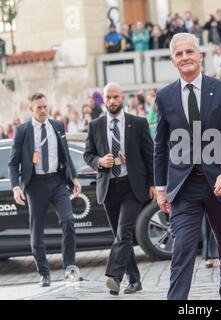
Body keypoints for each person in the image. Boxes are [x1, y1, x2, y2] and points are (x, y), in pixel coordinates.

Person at [155, 33, 221, 300]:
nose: (185, 57)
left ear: (200, 56)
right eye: (179, 54)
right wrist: (161, 188)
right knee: (182, 248)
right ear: (173, 61)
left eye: (189, 52)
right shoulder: (165, 96)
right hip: (184, 187)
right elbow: (160, 146)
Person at [84, 83, 156, 295]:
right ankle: (134, 281)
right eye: (108, 97)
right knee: (121, 237)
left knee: (124, 231)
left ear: (123, 98)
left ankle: (114, 276)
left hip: (133, 187)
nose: (112, 101)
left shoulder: (138, 123)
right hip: (109, 188)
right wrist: (99, 161)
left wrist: (153, 183)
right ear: (103, 99)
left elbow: (149, 156)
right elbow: (88, 155)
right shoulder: (95, 125)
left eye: (116, 97)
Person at [8, 93, 82, 287]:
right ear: (31, 109)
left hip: (57, 182)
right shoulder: (23, 130)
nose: (43, 111)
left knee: (68, 221)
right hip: (36, 185)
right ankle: (44, 272)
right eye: (38, 107)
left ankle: (69, 267)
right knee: (37, 230)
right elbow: (13, 163)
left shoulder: (57, 126)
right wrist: (16, 187)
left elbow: (65, 154)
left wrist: (74, 177)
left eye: (45, 107)